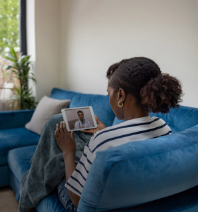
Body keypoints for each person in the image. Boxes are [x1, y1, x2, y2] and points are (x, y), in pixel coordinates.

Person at [54, 57, 182, 211]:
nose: (109, 98)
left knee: (57, 170)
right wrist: (107, 132)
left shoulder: (101, 141)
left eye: (109, 94)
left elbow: (76, 199)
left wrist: (68, 151)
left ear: (121, 95)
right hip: (142, 199)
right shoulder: (163, 127)